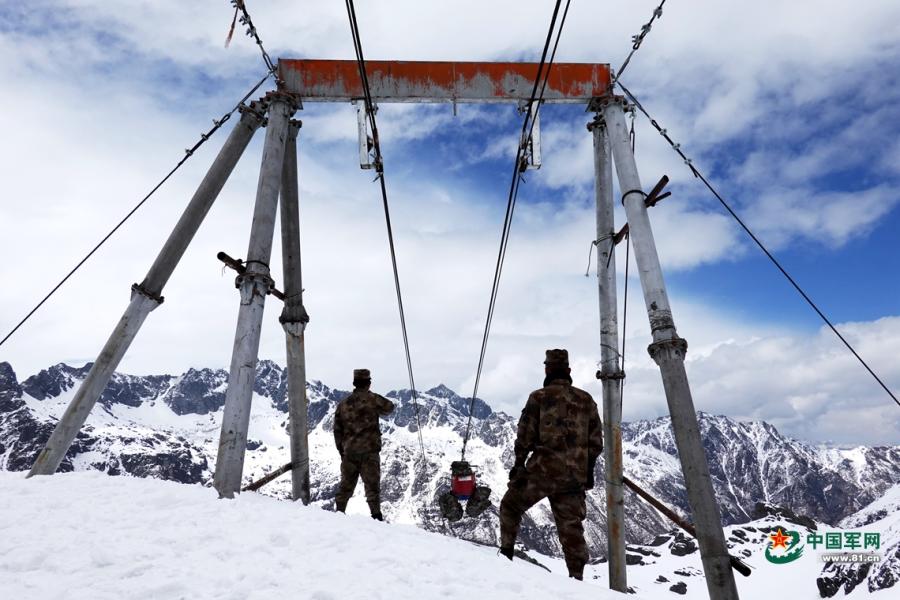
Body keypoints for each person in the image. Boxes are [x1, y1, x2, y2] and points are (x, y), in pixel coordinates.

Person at [498, 349, 603, 580]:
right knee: (571, 529)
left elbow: (524, 435)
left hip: (542, 472)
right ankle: (577, 579)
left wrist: (518, 465)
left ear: (547, 370)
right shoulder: (586, 400)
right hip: (573, 477)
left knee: (510, 506)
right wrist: (586, 471)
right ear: (568, 371)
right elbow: (596, 443)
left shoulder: (539, 397)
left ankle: (505, 556)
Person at [333, 368, 395, 521]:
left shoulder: (343, 404)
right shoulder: (373, 400)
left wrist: (342, 450)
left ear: (354, 383)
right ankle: (376, 517)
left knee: (346, 487)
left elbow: (337, 430)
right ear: (368, 383)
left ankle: (338, 515)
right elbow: (390, 407)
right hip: (369, 452)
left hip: (349, 453)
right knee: (372, 488)